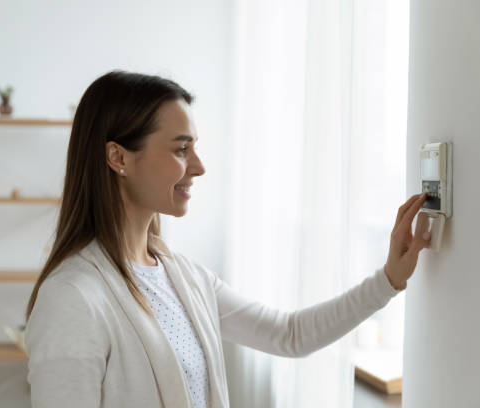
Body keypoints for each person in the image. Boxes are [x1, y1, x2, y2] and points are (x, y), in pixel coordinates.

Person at [23, 70, 430, 408]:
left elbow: (290, 334)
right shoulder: (73, 298)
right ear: (119, 158)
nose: (198, 167)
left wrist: (389, 279)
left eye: (194, 149)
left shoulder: (182, 277)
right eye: (181, 149)